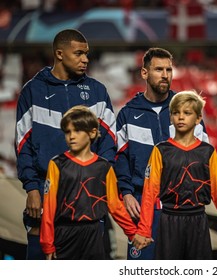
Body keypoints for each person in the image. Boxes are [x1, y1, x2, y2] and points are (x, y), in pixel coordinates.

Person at [14, 29, 116, 260]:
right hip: (44, 190)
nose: (85, 59)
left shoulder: (98, 92)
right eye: (79, 53)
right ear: (59, 54)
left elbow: (109, 142)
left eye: (87, 54)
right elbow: (23, 145)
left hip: (88, 194)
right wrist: (32, 188)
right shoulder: (33, 91)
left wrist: (100, 180)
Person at [114, 48, 208, 260]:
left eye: (168, 69)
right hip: (142, 204)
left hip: (181, 205)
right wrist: (126, 193)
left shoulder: (186, 110)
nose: (165, 74)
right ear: (145, 73)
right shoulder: (128, 114)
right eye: (158, 69)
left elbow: (205, 155)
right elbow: (120, 159)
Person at [132, 90, 217, 259]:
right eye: (176, 113)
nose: (181, 117)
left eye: (187, 113)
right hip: (169, 220)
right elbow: (150, 193)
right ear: (170, 117)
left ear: (198, 118)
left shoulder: (207, 152)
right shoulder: (160, 151)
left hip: (198, 220)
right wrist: (144, 230)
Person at [40, 106, 137, 259]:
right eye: (67, 132)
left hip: (95, 233)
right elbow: (49, 207)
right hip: (64, 234)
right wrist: (47, 243)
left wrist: (132, 232)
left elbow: (115, 205)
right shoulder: (57, 164)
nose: (71, 136)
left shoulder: (104, 167)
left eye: (77, 131)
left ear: (92, 133)